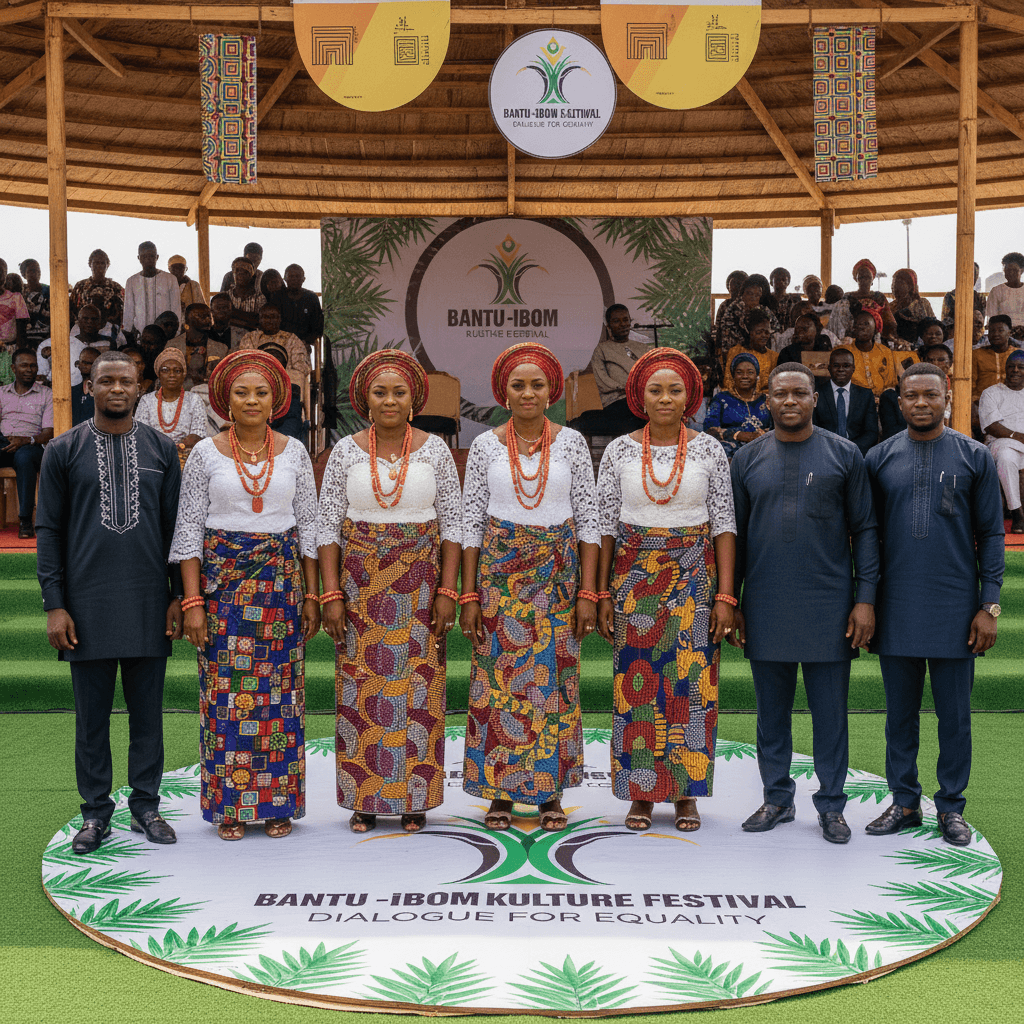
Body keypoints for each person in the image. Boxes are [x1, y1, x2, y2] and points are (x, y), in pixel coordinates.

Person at [36, 350, 183, 854]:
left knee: (148, 716)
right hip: (86, 607)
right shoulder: (63, 450)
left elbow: (177, 533)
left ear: (140, 388)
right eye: (106, 381)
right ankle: (95, 812)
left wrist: (178, 597)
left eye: (126, 381)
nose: (116, 388)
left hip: (147, 602)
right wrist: (54, 603)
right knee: (91, 719)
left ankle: (146, 805)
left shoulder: (163, 450)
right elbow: (48, 529)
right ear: (89, 388)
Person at [171, 350, 320, 841]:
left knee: (280, 696)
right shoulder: (205, 454)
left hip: (280, 589)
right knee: (226, 698)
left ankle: (278, 803)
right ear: (225, 401)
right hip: (224, 592)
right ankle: (230, 806)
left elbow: (310, 530)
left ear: (277, 398)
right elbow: (189, 530)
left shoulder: (295, 451)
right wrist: (193, 603)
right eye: (242, 392)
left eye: (261, 391)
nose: (252, 399)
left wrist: (313, 595)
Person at [731, 363, 878, 844]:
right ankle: (777, 798)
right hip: (767, 602)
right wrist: (732, 600)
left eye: (799, 393)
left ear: (816, 399)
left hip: (829, 605)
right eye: (780, 394)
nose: (790, 401)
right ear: (766, 401)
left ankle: (832, 807)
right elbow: (734, 539)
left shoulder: (845, 454)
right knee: (770, 713)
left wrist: (865, 600)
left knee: (830, 715)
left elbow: (866, 531)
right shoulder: (747, 458)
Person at [316, 350, 462, 833]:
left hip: (420, 586)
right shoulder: (345, 451)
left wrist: (448, 589)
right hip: (360, 589)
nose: (389, 400)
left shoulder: (436, 450)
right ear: (365, 399)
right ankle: (364, 799)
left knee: (417, 691)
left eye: (399, 392)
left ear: (414, 398)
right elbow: (326, 528)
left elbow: (453, 526)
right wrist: (331, 594)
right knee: (363, 691)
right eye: (380, 392)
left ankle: (413, 799)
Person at [460, 343, 599, 832]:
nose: (528, 393)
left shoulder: (573, 443)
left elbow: (589, 520)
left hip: (558, 581)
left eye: (537, 384)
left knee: (552, 683)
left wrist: (588, 593)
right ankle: (499, 792)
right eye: (518, 384)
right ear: (503, 391)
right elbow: (469, 521)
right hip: (499, 581)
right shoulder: (484, 446)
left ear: (551, 390)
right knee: (500, 684)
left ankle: (549, 793)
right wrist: (470, 594)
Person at [595, 349, 736, 832]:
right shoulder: (617, 451)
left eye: (675, 389)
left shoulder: (709, 450)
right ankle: (641, 794)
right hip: (634, 579)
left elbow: (724, 525)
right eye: (655, 389)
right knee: (636, 684)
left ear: (690, 397)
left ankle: (685, 793)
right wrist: (603, 593)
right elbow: (604, 525)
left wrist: (725, 595)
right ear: (639, 395)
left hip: (695, 577)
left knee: (691, 685)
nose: (665, 398)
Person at [865, 363, 1004, 847]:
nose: (921, 403)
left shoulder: (974, 456)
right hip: (896, 605)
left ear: (948, 397)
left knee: (955, 716)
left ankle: (950, 807)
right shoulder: (878, 458)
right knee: (899, 714)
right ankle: (904, 802)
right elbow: (867, 536)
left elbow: (991, 533)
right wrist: (866, 601)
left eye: (930, 395)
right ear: (898, 401)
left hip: (955, 607)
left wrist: (989, 605)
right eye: (911, 396)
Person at [0, 348, 53, 537]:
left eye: (33, 365)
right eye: (24, 365)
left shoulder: (46, 394)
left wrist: (26, 440)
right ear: (13, 368)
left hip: (32, 445)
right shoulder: (1, 393)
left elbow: (48, 432)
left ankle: (25, 521)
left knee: (24, 458)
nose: (29, 369)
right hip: (4, 443)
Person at [584, 303, 652, 436]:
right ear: (608, 326)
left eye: (625, 320)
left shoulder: (643, 349)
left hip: (642, 403)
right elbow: (603, 383)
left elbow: (652, 376)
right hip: (617, 404)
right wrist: (628, 388)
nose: (622, 324)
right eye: (616, 321)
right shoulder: (601, 350)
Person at [135, 348, 209, 467]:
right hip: (153, 460)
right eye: (165, 370)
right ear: (158, 374)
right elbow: (142, 435)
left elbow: (197, 436)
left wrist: (178, 448)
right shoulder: (146, 401)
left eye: (177, 371)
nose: (172, 375)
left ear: (184, 374)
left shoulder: (194, 400)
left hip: (185, 460)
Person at [978, 350, 1024, 533]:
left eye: (1021, 367)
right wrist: (1017, 436)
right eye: (1011, 366)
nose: (1015, 370)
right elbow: (991, 426)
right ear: (1004, 369)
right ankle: (1017, 513)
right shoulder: (991, 393)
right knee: (1006, 457)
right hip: (1001, 443)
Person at [704, 353, 771, 459]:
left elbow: (777, 428)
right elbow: (710, 429)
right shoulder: (721, 399)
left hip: (763, 451)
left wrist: (761, 436)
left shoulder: (766, 400)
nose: (745, 376)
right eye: (739, 373)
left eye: (750, 372)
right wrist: (738, 434)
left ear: (757, 376)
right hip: (730, 454)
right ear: (733, 376)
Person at [813, 348, 878, 456]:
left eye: (846, 366)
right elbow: (813, 429)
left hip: (856, 453)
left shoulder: (865, 395)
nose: (841, 369)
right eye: (836, 365)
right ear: (829, 368)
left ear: (853, 368)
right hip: (825, 453)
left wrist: (851, 450)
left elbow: (871, 432)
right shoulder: (817, 394)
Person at [238, 304, 311, 390]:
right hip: (258, 379)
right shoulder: (250, 338)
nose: (269, 320)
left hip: (286, 381)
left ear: (280, 319)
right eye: (265, 317)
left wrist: (279, 374)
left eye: (273, 317)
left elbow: (301, 367)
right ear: (260, 320)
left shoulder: (292, 339)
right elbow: (246, 363)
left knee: (298, 376)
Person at [835, 308, 900, 398]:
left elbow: (890, 386)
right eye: (858, 324)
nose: (862, 327)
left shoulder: (886, 352)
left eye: (866, 324)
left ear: (875, 328)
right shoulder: (843, 352)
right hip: (853, 401)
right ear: (853, 328)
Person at [828, 259, 897, 342]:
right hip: (849, 339)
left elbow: (889, 321)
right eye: (861, 277)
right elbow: (839, 320)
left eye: (868, 277)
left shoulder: (879, 297)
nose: (864, 280)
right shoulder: (848, 296)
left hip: (876, 339)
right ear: (856, 279)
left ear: (872, 280)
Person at [123, 242, 182, 338]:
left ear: (157, 257)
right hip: (141, 336)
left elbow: (176, 309)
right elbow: (129, 311)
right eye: (144, 256)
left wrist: (176, 332)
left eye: (151, 256)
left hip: (165, 335)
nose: (148, 259)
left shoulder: (170, 279)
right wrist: (127, 332)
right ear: (139, 258)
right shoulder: (131, 281)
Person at [716, 275, 782, 356]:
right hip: (737, 354)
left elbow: (776, 328)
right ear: (743, 293)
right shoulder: (734, 308)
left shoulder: (763, 308)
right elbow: (740, 337)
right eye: (750, 293)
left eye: (757, 294)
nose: (753, 297)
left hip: (761, 352)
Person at [723, 309, 779, 392]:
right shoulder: (736, 351)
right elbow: (728, 382)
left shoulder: (774, 357)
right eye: (759, 332)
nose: (764, 336)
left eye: (767, 332)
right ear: (749, 332)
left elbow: (775, 386)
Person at [259, 343, 305, 440]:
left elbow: (292, 423)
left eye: (276, 365)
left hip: (279, 443)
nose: (271, 368)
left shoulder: (291, 391)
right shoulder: (248, 389)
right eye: (267, 364)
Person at [167, 303, 227, 374]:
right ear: (187, 319)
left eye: (209, 316)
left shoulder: (221, 348)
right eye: (202, 316)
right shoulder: (172, 346)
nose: (208, 320)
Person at [70, 249, 124, 327]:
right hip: (82, 332)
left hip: (108, 331)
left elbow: (123, 313)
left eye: (102, 263)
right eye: (96, 263)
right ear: (90, 264)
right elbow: (72, 310)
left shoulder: (116, 288)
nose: (99, 266)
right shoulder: (80, 286)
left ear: (107, 265)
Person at [278, 264, 324, 349]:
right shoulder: (278, 298)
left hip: (304, 346)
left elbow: (318, 327)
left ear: (303, 279)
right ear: (285, 279)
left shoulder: (312, 298)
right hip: (280, 346)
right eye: (291, 276)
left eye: (297, 276)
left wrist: (304, 342)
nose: (294, 279)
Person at [972, 314, 1016, 402]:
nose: (995, 334)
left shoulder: (1018, 355)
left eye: (1000, 330)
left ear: (1009, 333)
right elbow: (970, 384)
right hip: (982, 404)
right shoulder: (977, 355)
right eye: (992, 331)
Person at [226, 256, 266, 344]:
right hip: (229, 341)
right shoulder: (225, 296)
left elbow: (259, 322)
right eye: (237, 271)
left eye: (245, 272)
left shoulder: (260, 297)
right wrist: (248, 320)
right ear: (233, 274)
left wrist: (234, 313)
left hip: (253, 341)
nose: (241, 274)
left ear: (251, 275)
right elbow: (223, 320)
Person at [890, 268, 936, 345]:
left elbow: (934, 326)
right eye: (893, 284)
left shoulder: (923, 303)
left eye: (899, 283)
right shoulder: (890, 307)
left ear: (910, 286)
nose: (894, 287)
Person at [986, 252, 1024, 338]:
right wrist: (1008, 331)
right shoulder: (996, 291)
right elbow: (992, 318)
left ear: (1021, 271)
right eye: (1007, 270)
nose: (1010, 273)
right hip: (1003, 336)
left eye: (1014, 270)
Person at [19, 259, 50, 349]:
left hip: (46, 340)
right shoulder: (20, 293)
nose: (36, 273)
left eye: (38, 270)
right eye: (31, 271)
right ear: (23, 274)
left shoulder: (49, 291)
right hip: (25, 340)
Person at [713, 271, 748, 352]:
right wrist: (717, 349)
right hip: (726, 349)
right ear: (728, 287)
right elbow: (718, 329)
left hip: (744, 349)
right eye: (733, 283)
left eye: (740, 284)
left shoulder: (748, 306)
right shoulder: (724, 305)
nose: (736, 287)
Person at [0, 258, 30, 349]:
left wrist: (20, 350)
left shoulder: (16, 298)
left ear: (5, 275)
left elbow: (21, 328)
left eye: (1, 271)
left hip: (9, 348)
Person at [70, 347, 99, 426]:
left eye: (88, 363)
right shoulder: (72, 392)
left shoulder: (103, 392)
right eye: (81, 362)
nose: (83, 365)